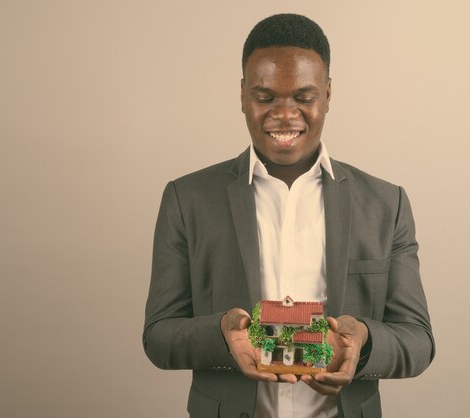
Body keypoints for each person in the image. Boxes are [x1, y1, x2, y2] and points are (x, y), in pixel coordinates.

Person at [142, 13, 435, 418]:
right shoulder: (186, 198)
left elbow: (418, 340)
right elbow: (158, 335)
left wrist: (362, 342)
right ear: (243, 95)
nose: (284, 114)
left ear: (328, 94)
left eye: (303, 96)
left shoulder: (387, 203)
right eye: (265, 97)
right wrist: (222, 334)